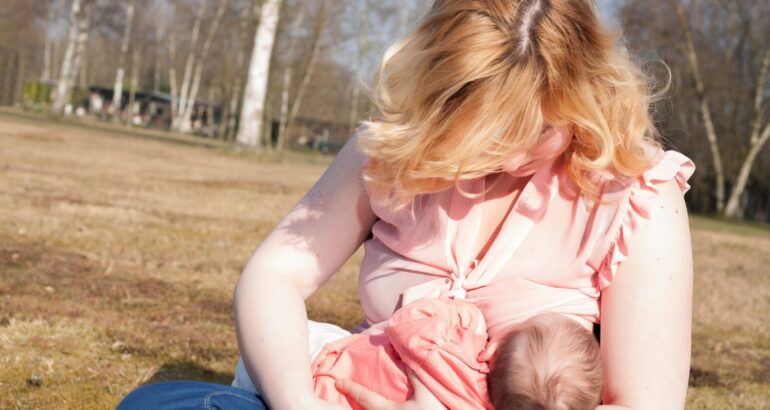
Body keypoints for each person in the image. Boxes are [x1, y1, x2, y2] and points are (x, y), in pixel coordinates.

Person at [118, 0, 695, 409]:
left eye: (539, 129)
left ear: (584, 94)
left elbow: (643, 404)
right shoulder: (396, 152)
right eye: (489, 131)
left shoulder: (637, 193)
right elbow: (273, 276)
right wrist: (298, 401)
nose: (513, 154)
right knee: (157, 404)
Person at [231, 296, 602, 410]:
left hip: (316, 362)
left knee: (289, 330)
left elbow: (409, 320)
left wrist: (465, 315)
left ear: (493, 347)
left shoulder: (453, 349)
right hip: (333, 397)